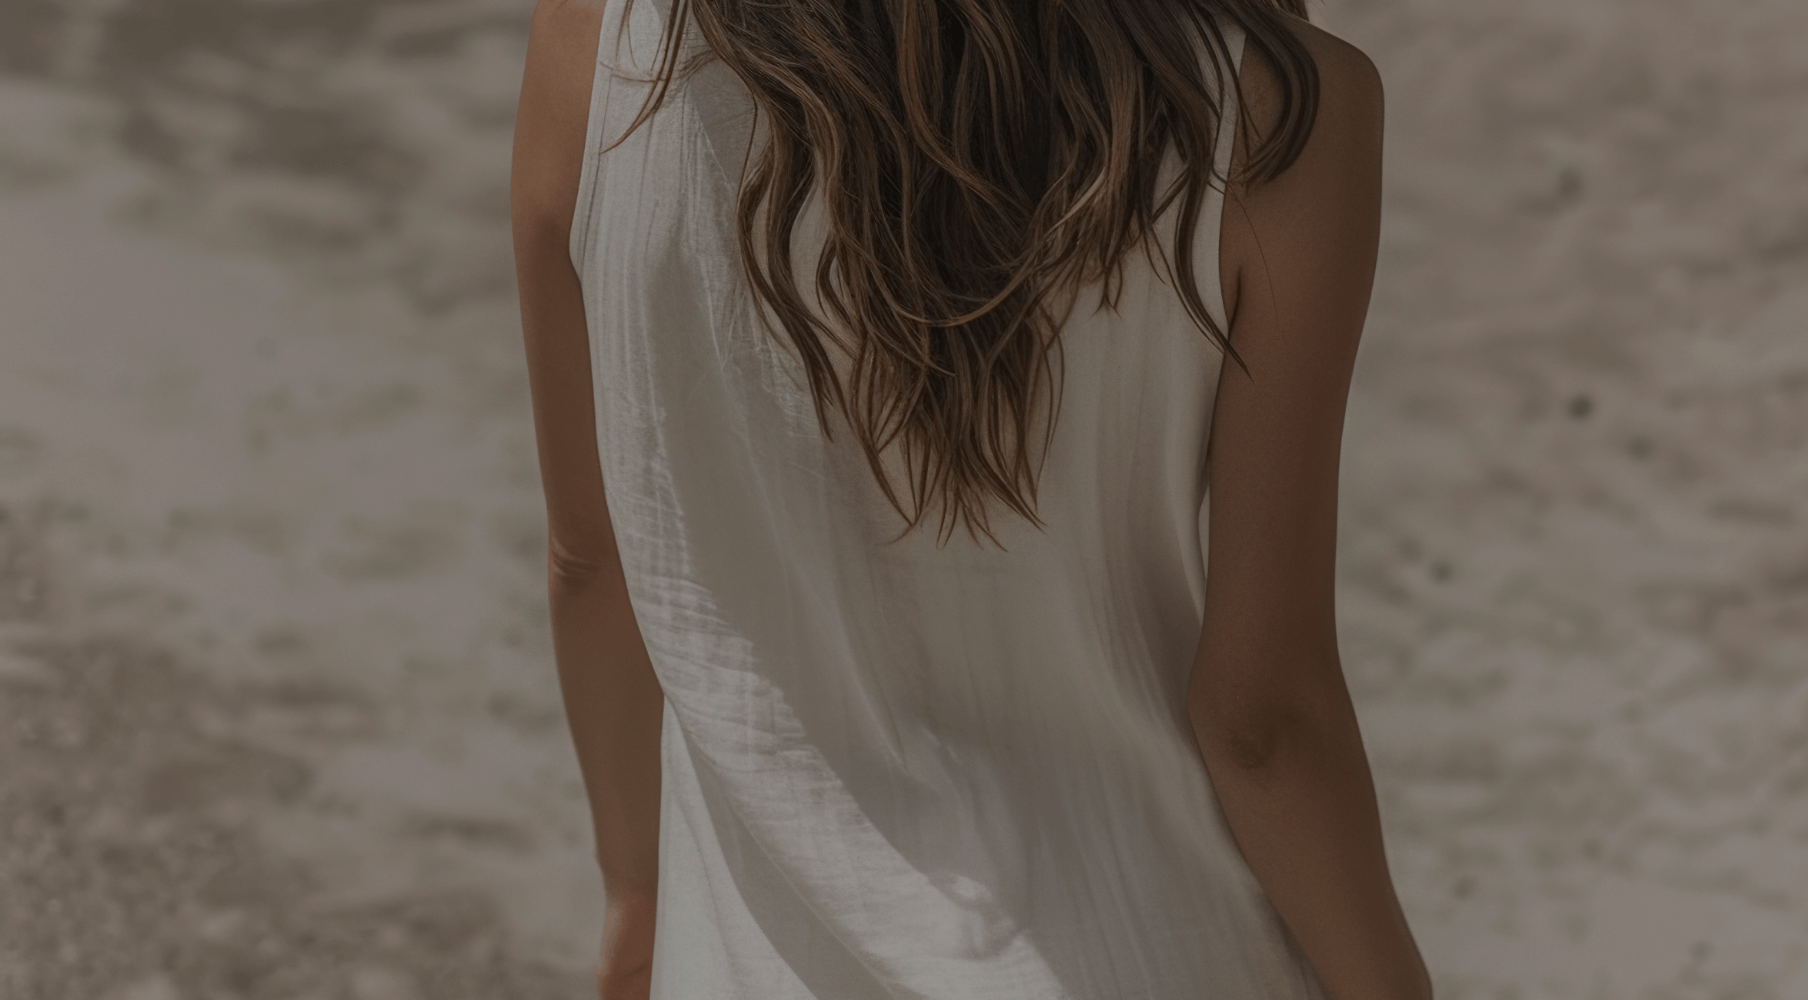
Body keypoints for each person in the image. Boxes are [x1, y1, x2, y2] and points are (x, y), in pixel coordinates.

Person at [511, 0, 1426, 996]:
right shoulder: (1278, 107)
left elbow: (589, 562)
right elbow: (1263, 722)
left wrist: (636, 890)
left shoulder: (601, 40)